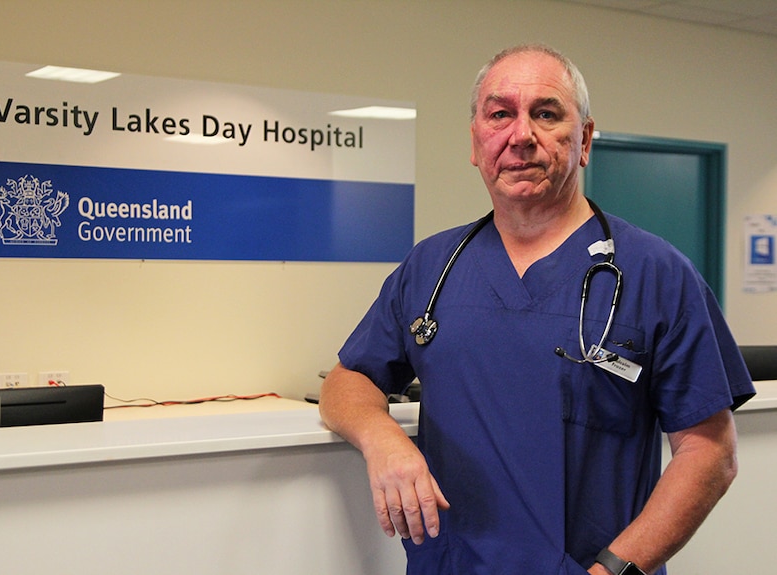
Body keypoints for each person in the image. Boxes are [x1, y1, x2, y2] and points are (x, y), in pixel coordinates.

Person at [319, 44, 755, 575]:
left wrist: (616, 569)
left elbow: (709, 453)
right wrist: (381, 438)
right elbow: (348, 379)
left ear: (585, 140)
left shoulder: (657, 273)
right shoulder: (431, 265)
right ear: (476, 142)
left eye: (545, 114)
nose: (520, 135)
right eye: (500, 114)